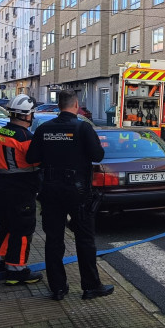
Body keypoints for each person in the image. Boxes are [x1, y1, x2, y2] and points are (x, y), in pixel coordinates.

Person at [26, 90, 114, 301]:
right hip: (78, 192)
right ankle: (91, 286)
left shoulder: (44, 128)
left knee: (53, 240)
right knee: (84, 239)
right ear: (76, 105)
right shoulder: (83, 127)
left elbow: (32, 157)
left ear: (58, 106)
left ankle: (57, 288)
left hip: (49, 190)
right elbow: (97, 155)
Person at [0, 94, 43, 285]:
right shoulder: (26, 138)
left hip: (2, 186)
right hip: (21, 190)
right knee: (22, 229)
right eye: (31, 114)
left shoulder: (1, 133)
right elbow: (36, 161)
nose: (33, 117)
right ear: (25, 115)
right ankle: (17, 270)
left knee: (6, 227)